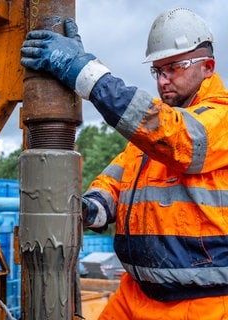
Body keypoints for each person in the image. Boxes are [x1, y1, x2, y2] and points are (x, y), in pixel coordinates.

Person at [21, 7, 228, 320]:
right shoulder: (148, 138)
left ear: (207, 67)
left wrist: (84, 72)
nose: (163, 80)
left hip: (200, 305)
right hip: (134, 295)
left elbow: (175, 137)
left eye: (173, 67)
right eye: (157, 71)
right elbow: (115, 182)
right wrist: (91, 207)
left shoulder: (217, 120)